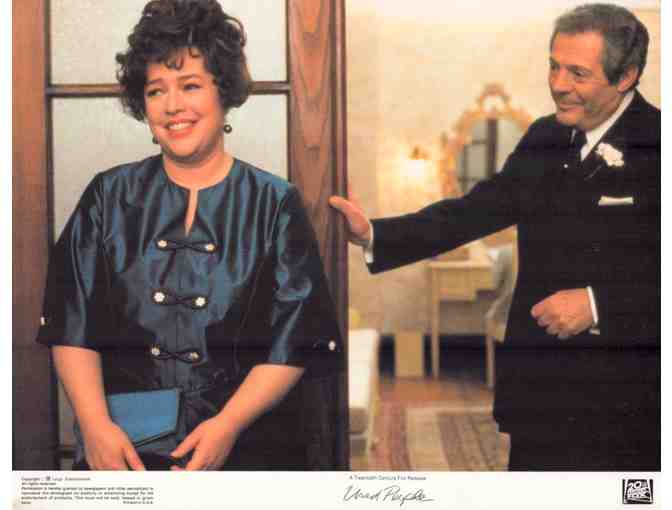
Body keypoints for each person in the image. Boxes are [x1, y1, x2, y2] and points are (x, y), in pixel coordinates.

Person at [331, 3, 659, 471]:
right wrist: (373, 233)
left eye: (578, 73)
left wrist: (598, 303)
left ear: (625, 76)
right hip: (539, 392)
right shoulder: (544, 137)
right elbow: (472, 212)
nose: (558, 84)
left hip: (630, 400)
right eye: (554, 66)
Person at [37, 0, 342, 471]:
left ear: (224, 92)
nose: (173, 105)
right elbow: (70, 324)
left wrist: (228, 425)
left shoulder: (276, 202)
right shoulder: (107, 196)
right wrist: (95, 428)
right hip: (124, 450)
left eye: (191, 85)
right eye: (156, 90)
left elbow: (296, 340)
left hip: (247, 449)